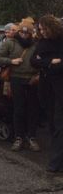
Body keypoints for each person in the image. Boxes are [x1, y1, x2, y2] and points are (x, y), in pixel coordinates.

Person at [0, 19, 40, 152]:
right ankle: (19, 137)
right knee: (18, 109)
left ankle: (32, 137)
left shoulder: (37, 44)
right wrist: (11, 61)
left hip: (33, 79)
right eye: (22, 32)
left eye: (28, 32)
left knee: (33, 109)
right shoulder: (10, 43)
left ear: (32, 33)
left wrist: (39, 73)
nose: (25, 35)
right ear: (19, 31)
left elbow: (43, 59)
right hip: (16, 78)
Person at [31, 15, 63, 173]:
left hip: (59, 88)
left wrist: (44, 62)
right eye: (40, 29)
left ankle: (55, 162)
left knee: (59, 124)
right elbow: (33, 61)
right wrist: (50, 62)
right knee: (52, 123)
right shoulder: (43, 41)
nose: (41, 32)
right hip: (46, 88)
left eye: (44, 29)